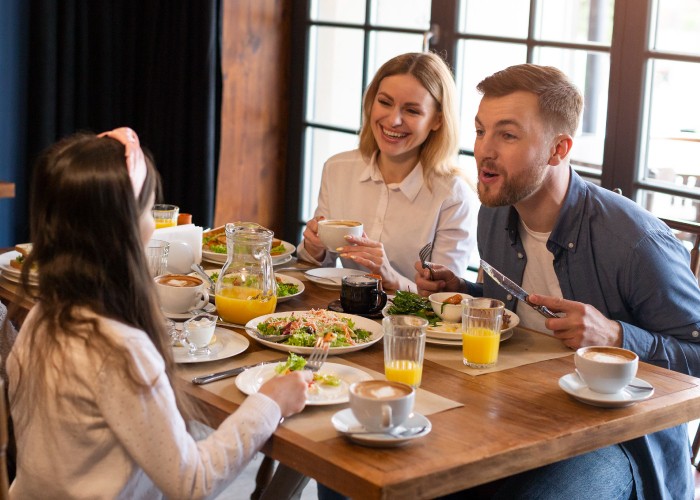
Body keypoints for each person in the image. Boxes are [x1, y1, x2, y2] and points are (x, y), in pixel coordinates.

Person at [414, 64, 700, 499]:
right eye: (479, 130)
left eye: (507, 135)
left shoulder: (635, 242)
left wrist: (617, 335)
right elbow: (518, 310)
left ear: (557, 149)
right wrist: (463, 290)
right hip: (516, 408)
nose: (483, 150)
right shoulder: (494, 211)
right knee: (374, 464)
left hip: (613, 440)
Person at [6, 128, 311, 498]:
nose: (153, 224)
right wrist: (269, 401)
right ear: (123, 229)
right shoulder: (119, 350)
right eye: (148, 209)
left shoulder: (41, 318)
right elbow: (192, 481)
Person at [297, 52, 478, 291]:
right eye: (385, 102)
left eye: (412, 111)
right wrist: (314, 249)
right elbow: (319, 266)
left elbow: (444, 298)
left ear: (437, 121)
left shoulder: (454, 195)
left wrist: (390, 278)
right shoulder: (337, 169)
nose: (393, 120)